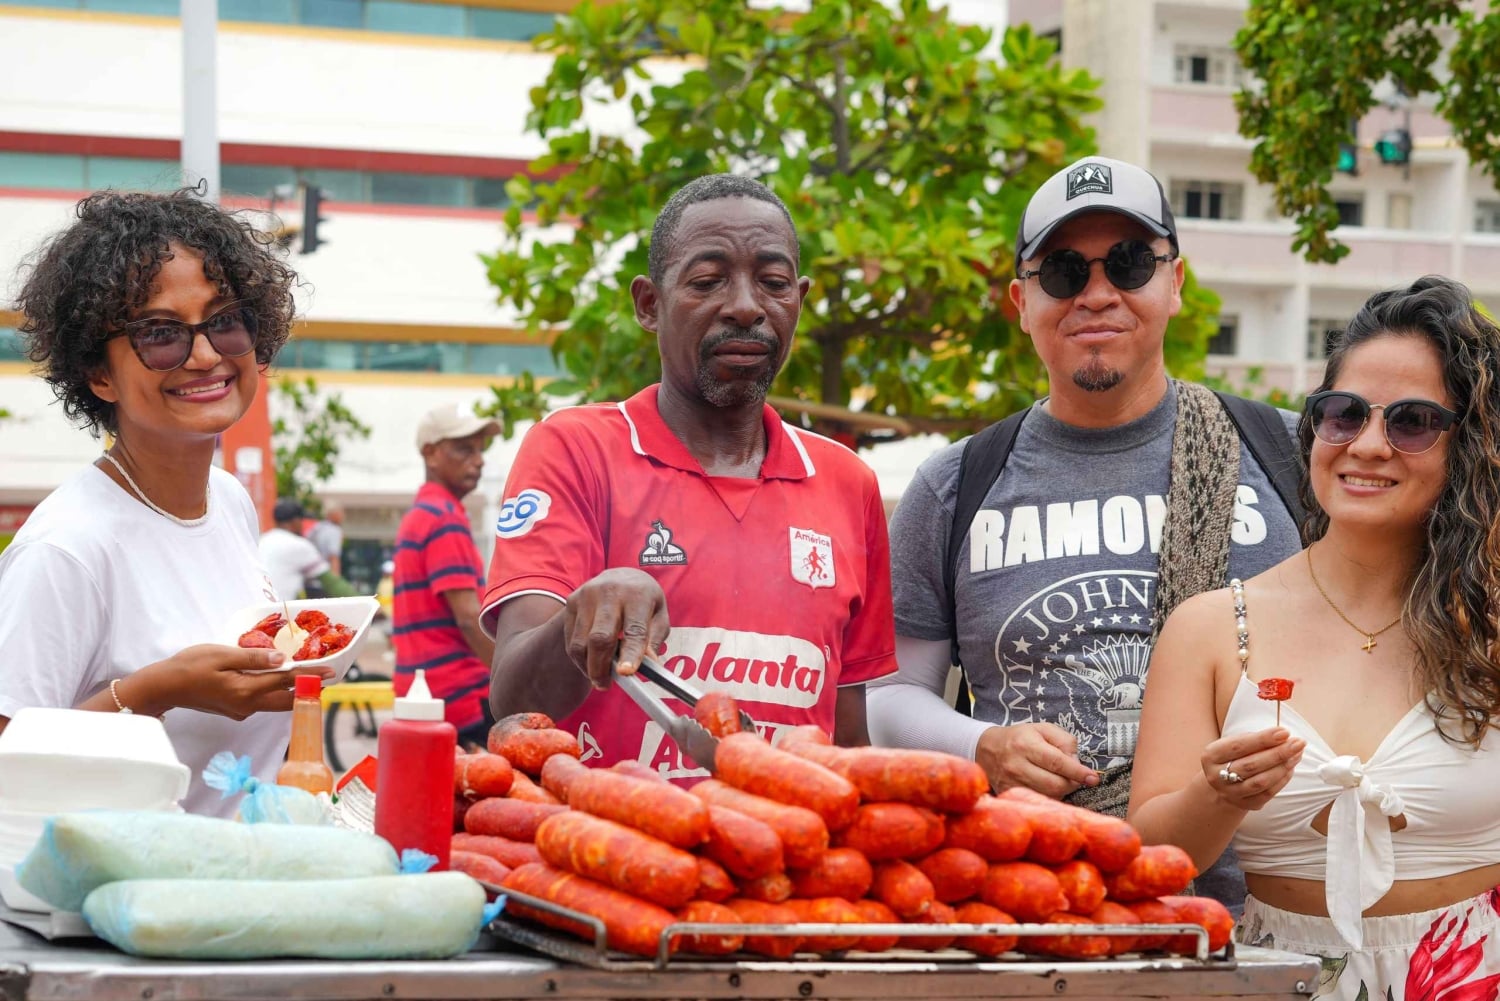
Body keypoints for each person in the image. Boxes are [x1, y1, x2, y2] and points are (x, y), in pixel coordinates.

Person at [868, 155, 1305, 908]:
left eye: (1130, 263)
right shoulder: (953, 486)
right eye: (1065, 271)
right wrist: (984, 746)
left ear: (1175, 283)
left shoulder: (1291, 455)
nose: (1097, 294)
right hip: (1035, 903)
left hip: (1269, 915)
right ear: (1022, 299)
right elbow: (892, 695)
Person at [1130, 276, 1500, 998]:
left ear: (1471, 445)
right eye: (1343, 413)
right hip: (1279, 978)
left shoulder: (1491, 620)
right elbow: (1153, 854)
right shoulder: (1211, 627)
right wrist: (1222, 793)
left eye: (1413, 421)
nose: (1367, 444)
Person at [482, 174, 897, 777]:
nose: (746, 306)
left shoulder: (848, 484)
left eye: (774, 283)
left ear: (799, 301)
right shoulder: (575, 449)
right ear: (650, 305)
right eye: (707, 282)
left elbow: (849, 734)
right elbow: (515, 703)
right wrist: (583, 613)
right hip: (610, 854)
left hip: (785, 858)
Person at [0, 188, 331, 816]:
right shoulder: (67, 548)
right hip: (107, 905)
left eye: (225, 321)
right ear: (99, 373)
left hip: (227, 885)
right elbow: (9, 765)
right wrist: (156, 691)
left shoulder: (227, 499)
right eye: (160, 334)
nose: (205, 355)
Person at [391, 404, 499, 747]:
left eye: (480, 450)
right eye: (464, 449)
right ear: (431, 454)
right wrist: (513, 676)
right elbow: (468, 617)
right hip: (459, 696)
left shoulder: (421, 514)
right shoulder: (444, 518)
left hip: (424, 694)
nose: (479, 460)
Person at [259, 498, 329, 601]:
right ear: (295, 521)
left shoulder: (262, 540)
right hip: (280, 611)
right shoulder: (298, 544)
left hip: (254, 608)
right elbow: (330, 581)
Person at [305, 500, 345, 575]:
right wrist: (335, 580)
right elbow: (333, 557)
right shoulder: (334, 530)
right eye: (340, 512)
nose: (343, 516)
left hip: (310, 574)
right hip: (325, 575)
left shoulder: (317, 527)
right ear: (333, 514)